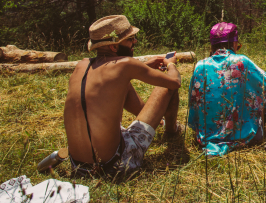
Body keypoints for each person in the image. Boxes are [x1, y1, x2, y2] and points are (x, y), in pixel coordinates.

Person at [63, 15, 182, 177]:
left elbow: (112, 75)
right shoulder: (126, 65)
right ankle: (171, 130)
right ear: (113, 47)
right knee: (167, 87)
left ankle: (159, 122)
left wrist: (144, 65)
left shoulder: (82, 65)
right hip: (115, 165)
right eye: (131, 39)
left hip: (79, 167)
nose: (135, 42)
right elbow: (174, 82)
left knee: (123, 83)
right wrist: (171, 64)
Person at [188, 22, 266, 156]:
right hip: (244, 136)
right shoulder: (241, 61)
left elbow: (193, 102)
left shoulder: (200, 65)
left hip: (206, 137)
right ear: (234, 43)